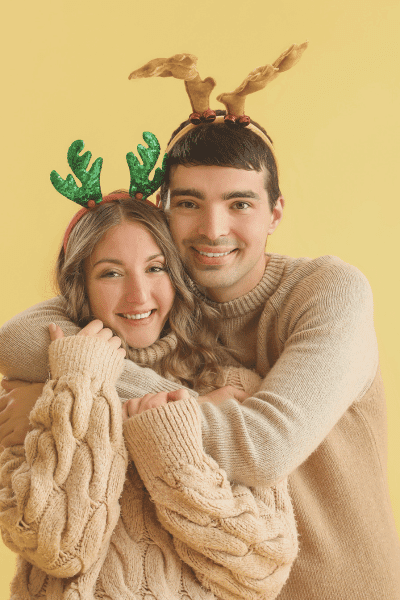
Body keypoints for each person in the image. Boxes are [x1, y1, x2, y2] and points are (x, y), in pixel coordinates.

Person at [2, 45, 400, 598]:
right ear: (163, 206)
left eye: (239, 204)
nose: (213, 229)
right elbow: (19, 339)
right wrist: (103, 396)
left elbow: (262, 449)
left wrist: (91, 404)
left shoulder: (327, 292)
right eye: (189, 203)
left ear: (275, 212)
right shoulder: (161, 296)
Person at [0, 184, 298, 599]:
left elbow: (261, 569)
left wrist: (168, 441)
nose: (138, 295)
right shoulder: (38, 394)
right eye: (111, 273)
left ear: (177, 276)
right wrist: (82, 387)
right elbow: (59, 547)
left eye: (155, 268)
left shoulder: (231, 387)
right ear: (79, 286)